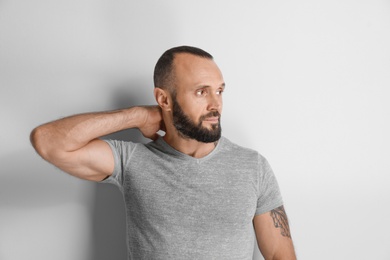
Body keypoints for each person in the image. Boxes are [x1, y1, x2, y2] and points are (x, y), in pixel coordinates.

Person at [30, 46, 297, 259]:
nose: (216, 104)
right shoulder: (132, 161)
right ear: (164, 99)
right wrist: (137, 115)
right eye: (202, 92)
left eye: (219, 91)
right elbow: (47, 141)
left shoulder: (253, 166)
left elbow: (279, 254)